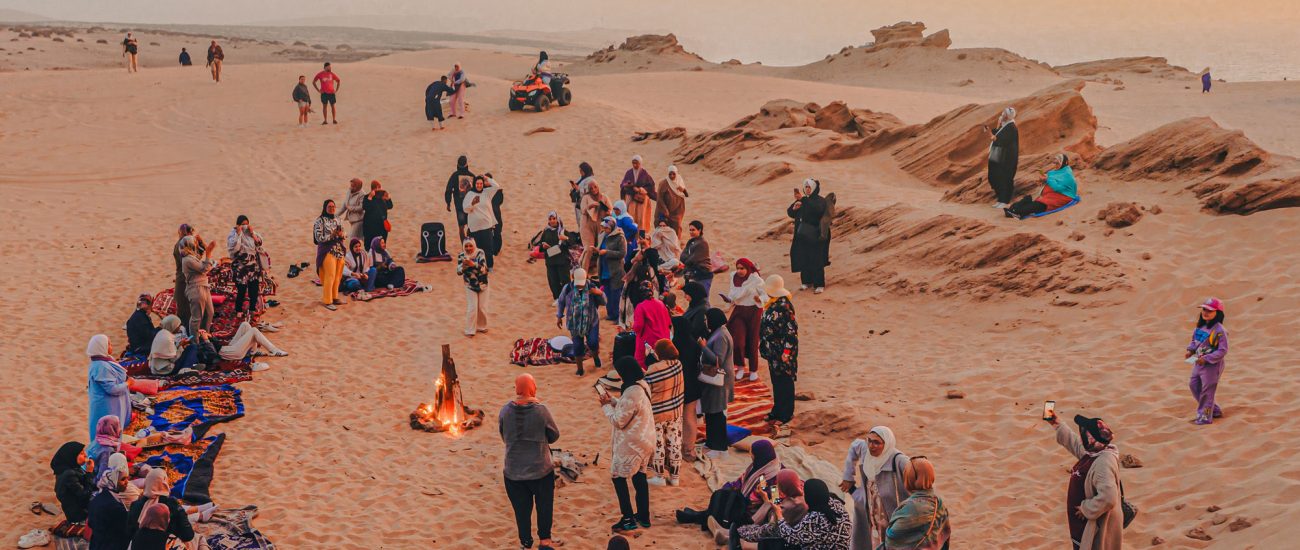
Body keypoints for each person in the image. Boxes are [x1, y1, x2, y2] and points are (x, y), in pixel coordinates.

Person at [500, 373, 561, 550]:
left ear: (517, 388)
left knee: (522, 511)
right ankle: (545, 541)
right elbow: (554, 436)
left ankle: (526, 543)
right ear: (532, 388)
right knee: (544, 507)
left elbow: (504, 436)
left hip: (513, 473)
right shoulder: (541, 410)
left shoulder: (505, 411)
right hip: (540, 471)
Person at [675, 439, 781, 538]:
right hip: (744, 500)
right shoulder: (759, 466)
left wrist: (761, 496)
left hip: (752, 510)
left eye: (753, 454)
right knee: (722, 495)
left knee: (728, 502)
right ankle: (702, 516)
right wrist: (729, 487)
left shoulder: (774, 476)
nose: (751, 456)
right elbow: (742, 481)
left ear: (760, 456)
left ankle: (699, 517)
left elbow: (775, 500)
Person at [1047, 412, 1121, 550]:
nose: (1080, 436)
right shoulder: (1095, 453)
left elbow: (1109, 497)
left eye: (1083, 433)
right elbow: (1075, 444)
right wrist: (1056, 424)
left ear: (1091, 439)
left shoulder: (1103, 463)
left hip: (1094, 529)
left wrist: (1086, 508)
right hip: (1082, 526)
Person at [601, 357, 657, 533]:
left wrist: (605, 407)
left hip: (633, 443)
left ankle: (627, 519)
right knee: (639, 476)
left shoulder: (632, 391)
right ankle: (643, 516)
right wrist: (614, 401)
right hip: (647, 440)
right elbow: (631, 408)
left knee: (618, 477)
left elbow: (619, 421)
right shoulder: (641, 385)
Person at [841, 426, 910, 550]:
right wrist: (848, 476)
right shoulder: (865, 450)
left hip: (889, 512)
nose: (871, 446)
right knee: (874, 538)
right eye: (869, 440)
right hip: (870, 509)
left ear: (887, 443)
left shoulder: (898, 460)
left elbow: (917, 475)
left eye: (877, 442)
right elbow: (855, 446)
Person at [672, 282, 709, 462]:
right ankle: (689, 448)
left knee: (684, 418)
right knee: (690, 417)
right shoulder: (694, 345)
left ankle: (686, 449)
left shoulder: (675, 346)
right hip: (693, 385)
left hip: (680, 385)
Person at [885, 457, 951, 550]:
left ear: (910, 478)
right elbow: (945, 533)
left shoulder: (911, 508)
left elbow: (892, 539)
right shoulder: (938, 502)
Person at [760, 275, 799, 427]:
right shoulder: (773, 303)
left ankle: (785, 414)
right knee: (777, 381)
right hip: (773, 352)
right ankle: (777, 410)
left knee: (785, 382)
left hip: (782, 353)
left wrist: (786, 353)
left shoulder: (784, 306)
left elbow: (791, 332)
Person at [644, 339, 684, 486]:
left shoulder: (653, 369)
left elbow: (647, 386)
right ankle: (675, 477)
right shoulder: (678, 365)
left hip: (658, 412)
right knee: (674, 443)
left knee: (658, 443)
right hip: (675, 410)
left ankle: (659, 476)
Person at [87, 335, 133, 454]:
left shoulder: (104, 361)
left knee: (111, 431)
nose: (111, 347)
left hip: (110, 404)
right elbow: (112, 389)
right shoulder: (101, 366)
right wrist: (128, 384)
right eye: (109, 344)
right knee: (107, 431)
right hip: (107, 406)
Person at [699, 308, 735, 457]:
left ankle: (719, 447)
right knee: (713, 411)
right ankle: (712, 442)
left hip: (720, 379)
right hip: (717, 379)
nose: (706, 322)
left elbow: (717, 360)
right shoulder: (719, 331)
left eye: (707, 319)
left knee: (717, 413)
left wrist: (702, 346)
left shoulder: (721, 336)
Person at [1187, 297, 1229, 425]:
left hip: (1212, 366)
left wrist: (1206, 359)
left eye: (1210, 310)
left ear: (1218, 313)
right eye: (1204, 309)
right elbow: (1194, 341)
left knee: (1207, 390)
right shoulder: (1200, 327)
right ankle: (1214, 410)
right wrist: (1190, 350)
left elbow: (1222, 350)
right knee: (1194, 385)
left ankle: (1204, 417)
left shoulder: (1220, 331)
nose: (1206, 312)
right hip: (1198, 363)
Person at [556, 268, 605, 376]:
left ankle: (596, 357)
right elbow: (561, 302)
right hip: (574, 323)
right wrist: (559, 316)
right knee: (578, 346)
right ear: (573, 278)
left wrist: (599, 293)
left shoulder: (592, 287)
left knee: (593, 342)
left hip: (591, 321)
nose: (580, 286)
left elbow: (604, 302)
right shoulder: (568, 288)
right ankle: (580, 369)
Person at [127, 470, 196, 545]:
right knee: (199, 539)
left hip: (139, 546)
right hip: (165, 546)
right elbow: (188, 535)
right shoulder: (171, 505)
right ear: (164, 483)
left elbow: (130, 533)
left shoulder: (135, 505)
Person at [726, 258, 766, 381]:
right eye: (737, 268)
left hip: (754, 311)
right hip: (739, 311)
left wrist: (760, 299)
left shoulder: (756, 279)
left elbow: (766, 294)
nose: (739, 271)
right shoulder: (733, 277)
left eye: (742, 268)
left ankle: (753, 370)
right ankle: (740, 367)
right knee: (738, 341)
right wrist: (728, 300)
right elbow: (732, 294)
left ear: (748, 268)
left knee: (753, 341)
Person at [1005, 153, 1079, 219]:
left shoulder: (1067, 175)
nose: (1056, 166)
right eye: (1055, 163)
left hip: (1064, 197)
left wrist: (1048, 179)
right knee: (1028, 198)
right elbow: (1052, 177)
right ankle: (1013, 209)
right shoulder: (1057, 171)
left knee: (1040, 204)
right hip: (1052, 194)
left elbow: (1057, 188)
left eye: (1058, 164)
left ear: (1064, 163)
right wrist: (1044, 179)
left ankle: (1017, 212)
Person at [789, 179, 828, 293]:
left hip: (816, 235)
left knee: (816, 259)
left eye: (809, 187)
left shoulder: (819, 200)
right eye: (805, 187)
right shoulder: (804, 200)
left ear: (814, 188)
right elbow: (790, 213)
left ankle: (819, 285)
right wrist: (794, 208)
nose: (807, 189)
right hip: (802, 234)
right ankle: (806, 282)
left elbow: (818, 210)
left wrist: (803, 200)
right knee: (803, 258)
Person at [226, 215, 265, 318]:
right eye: (242, 224)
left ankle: (252, 309)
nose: (245, 226)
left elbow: (259, 243)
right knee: (241, 291)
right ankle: (238, 310)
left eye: (246, 224)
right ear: (238, 225)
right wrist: (239, 234)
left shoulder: (251, 233)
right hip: (240, 268)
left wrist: (252, 233)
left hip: (253, 267)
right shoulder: (233, 234)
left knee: (254, 290)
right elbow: (234, 247)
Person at [87, 462, 131, 550]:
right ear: (112, 482)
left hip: (96, 543)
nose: (127, 482)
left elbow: (90, 523)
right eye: (123, 479)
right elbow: (125, 530)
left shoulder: (98, 497)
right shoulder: (115, 507)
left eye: (127, 478)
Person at [314, 199, 347, 310]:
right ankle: (327, 300)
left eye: (333, 206)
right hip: (327, 250)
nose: (332, 208)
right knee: (330, 275)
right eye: (329, 207)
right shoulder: (320, 221)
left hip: (339, 250)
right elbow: (318, 238)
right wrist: (332, 236)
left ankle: (335, 297)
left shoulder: (338, 219)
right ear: (325, 208)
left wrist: (341, 234)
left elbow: (344, 233)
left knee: (338, 275)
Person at [531, 211, 573, 299]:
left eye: (554, 218)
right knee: (553, 282)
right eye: (550, 219)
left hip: (562, 261)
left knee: (565, 281)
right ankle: (557, 298)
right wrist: (543, 246)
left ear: (557, 219)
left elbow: (572, 243)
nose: (552, 221)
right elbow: (540, 247)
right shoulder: (546, 231)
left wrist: (566, 238)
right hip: (550, 261)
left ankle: (568, 298)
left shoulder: (563, 231)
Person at [179, 235, 215, 336]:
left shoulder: (191, 256)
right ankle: (195, 342)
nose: (196, 245)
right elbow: (204, 268)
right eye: (194, 244)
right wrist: (209, 253)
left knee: (209, 313)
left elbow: (201, 255)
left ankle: (205, 337)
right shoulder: (187, 260)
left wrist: (203, 243)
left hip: (203, 286)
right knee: (196, 319)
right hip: (196, 289)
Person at [51, 442, 94, 526]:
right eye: (81, 453)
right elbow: (85, 494)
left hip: (77, 510)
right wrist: (89, 473)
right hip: (79, 515)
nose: (85, 455)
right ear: (72, 456)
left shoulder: (72, 468)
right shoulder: (69, 474)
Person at [463, 175, 500, 270]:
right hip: (474, 227)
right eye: (477, 183)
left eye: (481, 183)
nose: (479, 185)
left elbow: (496, 186)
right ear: (474, 184)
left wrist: (488, 179)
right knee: (476, 249)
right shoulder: (470, 194)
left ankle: (490, 267)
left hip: (486, 226)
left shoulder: (487, 192)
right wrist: (473, 203)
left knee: (488, 248)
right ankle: (477, 267)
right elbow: (465, 209)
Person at [630, 283, 671, 367]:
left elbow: (638, 326)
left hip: (648, 342)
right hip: (664, 340)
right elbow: (668, 322)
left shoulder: (640, 306)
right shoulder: (660, 303)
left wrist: (633, 326)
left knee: (641, 363)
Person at [986, 107, 1020, 209]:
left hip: (1007, 158)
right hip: (999, 155)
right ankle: (1000, 199)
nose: (1002, 115)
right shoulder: (1005, 125)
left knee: (1006, 178)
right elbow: (997, 133)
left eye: (1004, 114)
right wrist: (998, 124)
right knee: (995, 176)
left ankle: (1005, 201)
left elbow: (996, 139)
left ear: (1008, 116)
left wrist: (989, 132)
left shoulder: (1011, 128)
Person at [597, 217, 628, 321]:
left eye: (607, 228)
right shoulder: (602, 236)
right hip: (604, 269)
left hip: (615, 271)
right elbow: (600, 248)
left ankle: (617, 316)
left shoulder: (620, 237)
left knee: (616, 295)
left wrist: (607, 252)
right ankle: (610, 314)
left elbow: (622, 253)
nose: (605, 230)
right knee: (607, 294)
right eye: (604, 228)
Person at [457, 238, 490, 336]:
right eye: (466, 246)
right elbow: (458, 271)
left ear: (474, 245)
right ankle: (470, 330)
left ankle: (482, 326)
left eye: (470, 245)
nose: (468, 248)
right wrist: (463, 267)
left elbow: (484, 269)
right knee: (472, 307)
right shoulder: (461, 255)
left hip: (483, 284)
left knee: (482, 307)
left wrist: (473, 264)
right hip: (469, 285)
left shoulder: (480, 253)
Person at [172, 225, 202, 329]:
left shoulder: (185, 245)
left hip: (186, 282)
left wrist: (200, 243)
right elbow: (193, 262)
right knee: (185, 314)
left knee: (190, 313)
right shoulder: (181, 248)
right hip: (183, 283)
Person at [620, 155, 657, 232]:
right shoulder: (629, 172)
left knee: (641, 218)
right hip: (630, 197)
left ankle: (641, 236)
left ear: (640, 163)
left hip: (642, 199)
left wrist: (640, 189)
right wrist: (628, 185)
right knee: (630, 216)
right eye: (633, 163)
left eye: (636, 163)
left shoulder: (644, 174)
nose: (634, 165)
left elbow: (651, 186)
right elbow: (623, 184)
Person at [216, 322, 287, 360]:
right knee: (254, 330)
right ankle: (274, 350)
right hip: (228, 353)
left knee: (245, 324)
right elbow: (211, 353)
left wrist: (209, 337)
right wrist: (207, 340)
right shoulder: (205, 344)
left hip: (227, 348)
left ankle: (253, 351)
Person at [679, 220, 714, 297]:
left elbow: (693, 259)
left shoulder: (702, 243)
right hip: (694, 274)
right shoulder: (691, 242)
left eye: (693, 230)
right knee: (694, 297)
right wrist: (686, 259)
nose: (691, 232)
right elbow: (682, 257)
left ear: (699, 230)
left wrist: (686, 259)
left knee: (703, 298)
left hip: (703, 274)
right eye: (690, 230)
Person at [445, 155, 476, 239]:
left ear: (457, 165)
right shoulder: (472, 176)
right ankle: (470, 244)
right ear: (466, 164)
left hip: (460, 207)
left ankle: (464, 246)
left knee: (461, 227)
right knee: (471, 226)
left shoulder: (454, 176)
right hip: (471, 206)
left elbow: (448, 190)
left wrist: (448, 203)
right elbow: (478, 191)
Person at [654, 165, 688, 237]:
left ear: (676, 173)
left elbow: (686, 195)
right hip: (665, 211)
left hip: (677, 210)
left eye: (673, 174)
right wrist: (665, 210)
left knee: (677, 224)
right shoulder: (663, 183)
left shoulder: (679, 181)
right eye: (670, 174)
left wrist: (683, 190)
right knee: (663, 227)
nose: (672, 176)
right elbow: (659, 198)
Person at [580, 181, 612, 251]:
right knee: (589, 249)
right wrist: (590, 206)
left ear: (598, 187)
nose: (593, 190)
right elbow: (583, 210)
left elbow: (611, 210)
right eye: (591, 188)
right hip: (588, 226)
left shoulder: (604, 197)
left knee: (600, 248)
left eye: (595, 187)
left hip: (601, 226)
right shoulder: (586, 197)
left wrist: (608, 212)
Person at [362, 180, 394, 248]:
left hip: (382, 227)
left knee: (381, 245)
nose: (377, 190)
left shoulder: (382, 197)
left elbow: (390, 206)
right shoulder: (367, 197)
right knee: (369, 246)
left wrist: (388, 198)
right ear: (372, 189)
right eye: (375, 188)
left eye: (379, 188)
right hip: (370, 227)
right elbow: (365, 207)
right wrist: (370, 197)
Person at [611, 200, 640, 266]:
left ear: (622, 209)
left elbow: (634, 228)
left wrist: (627, 238)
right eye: (614, 209)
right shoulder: (620, 217)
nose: (615, 211)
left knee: (626, 261)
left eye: (617, 209)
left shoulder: (625, 218)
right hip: (622, 242)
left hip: (627, 244)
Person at [571, 162, 597, 227]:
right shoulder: (582, 178)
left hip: (585, 204)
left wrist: (578, 189)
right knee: (579, 220)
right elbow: (578, 185)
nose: (580, 172)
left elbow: (589, 191)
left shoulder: (591, 180)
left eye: (581, 170)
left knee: (584, 222)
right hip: (579, 203)